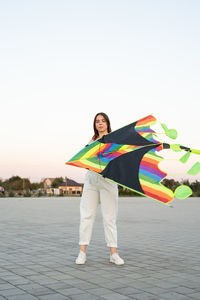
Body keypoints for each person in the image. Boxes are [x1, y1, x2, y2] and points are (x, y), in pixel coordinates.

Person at [75, 112, 124, 265]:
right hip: (91, 180)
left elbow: (120, 160)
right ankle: (82, 253)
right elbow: (82, 158)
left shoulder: (115, 140)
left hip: (109, 180)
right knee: (86, 216)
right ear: (94, 125)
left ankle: (113, 254)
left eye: (103, 121)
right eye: (97, 121)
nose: (100, 123)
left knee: (110, 218)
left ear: (108, 123)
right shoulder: (92, 140)